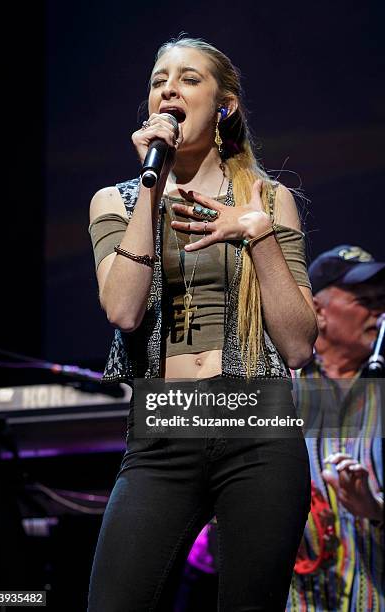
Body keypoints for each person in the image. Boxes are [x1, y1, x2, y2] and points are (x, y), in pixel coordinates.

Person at [87, 36, 318, 611]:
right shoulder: (115, 201)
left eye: (189, 79)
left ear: (224, 105)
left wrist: (256, 232)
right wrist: (151, 187)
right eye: (159, 80)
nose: (168, 89)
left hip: (257, 421)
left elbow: (296, 345)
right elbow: (123, 311)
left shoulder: (267, 199)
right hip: (164, 424)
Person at [287, 245, 385, 611]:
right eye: (365, 300)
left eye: (382, 300)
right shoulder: (282, 384)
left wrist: (375, 507)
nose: (379, 312)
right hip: (296, 598)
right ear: (317, 311)